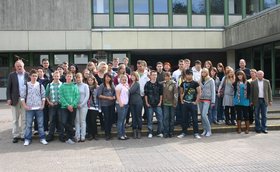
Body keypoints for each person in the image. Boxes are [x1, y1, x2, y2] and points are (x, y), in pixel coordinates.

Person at [20, 69, 47, 146]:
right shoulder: (26, 86)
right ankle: (27, 139)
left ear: (37, 76)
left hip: (39, 108)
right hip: (29, 108)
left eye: (36, 76)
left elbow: (43, 97)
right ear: (30, 76)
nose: (34, 77)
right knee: (28, 124)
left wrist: (43, 105)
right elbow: (22, 97)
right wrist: (25, 106)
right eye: (33, 76)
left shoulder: (40, 86)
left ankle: (42, 138)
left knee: (40, 124)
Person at [7, 60, 29, 143]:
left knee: (24, 119)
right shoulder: (11, 75)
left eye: (20, 66)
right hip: (14, 99)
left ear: (23, 66)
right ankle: (15, 135)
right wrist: (9, 98)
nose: (19, 67)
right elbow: (8, 88)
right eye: (17, 66)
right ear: (15, 67)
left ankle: (23, 135)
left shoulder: (27, 75)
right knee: (15, 119)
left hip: (25, 100)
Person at [177, 69, 201, 139]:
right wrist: (181, 101)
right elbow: (181, 92)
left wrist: (196, 101)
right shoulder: (183, 83)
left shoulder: (195, 83)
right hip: (185, 103)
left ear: (192, 75)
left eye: (190, 74)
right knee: (184, 119)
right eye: (187, 74)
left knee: (195, 119)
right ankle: (184, 132)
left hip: (193, 103)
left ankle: (196, 133)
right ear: (186, 75)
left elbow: (199, 92)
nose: (189, 75)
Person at [59, 72, 80, 144]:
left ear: (72, 78)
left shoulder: (75, 86)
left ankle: (70, 138)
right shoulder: (62, 86)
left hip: (73, 107)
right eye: (67, 76)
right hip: (64, 107)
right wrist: (67, 105)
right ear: (65, 77)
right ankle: (73, 132)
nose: (68, 77)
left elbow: (77, 96)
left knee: (71, 122)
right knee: (63, 121)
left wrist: (72, 104)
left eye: (70, 76)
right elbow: (61, 97)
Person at [144, 70, 164, 138]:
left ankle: (159, 132)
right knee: (150, 119)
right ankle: (150, 132)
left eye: (155, 75)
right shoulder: (147, 84)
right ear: (150, 76)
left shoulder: (159, 84)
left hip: (158, 104)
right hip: (150, 105)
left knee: (160, 119)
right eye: (153, 75)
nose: (154, 76)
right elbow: (146, 94)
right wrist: (146, 103)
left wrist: (160, 102)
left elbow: (161, 94)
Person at [97, 73, 116, 140]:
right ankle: (107, 134)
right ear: (104, 78)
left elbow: (115, 92)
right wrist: (108, 97)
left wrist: (114, 96)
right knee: (106, 118)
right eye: (106, 77)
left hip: (112, 104)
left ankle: (109, 132)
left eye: (109, 77)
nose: (108, 78)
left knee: (111, 119)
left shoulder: (112, 84)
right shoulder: (102, 85)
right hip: (105, 105)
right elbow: (99, 95)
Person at [45, 71, 63, 142]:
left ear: (59, 76)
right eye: (55, 76)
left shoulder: (62, 85)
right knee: (52, 121)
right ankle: (50, 136)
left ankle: (61, 136)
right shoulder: (49, 85)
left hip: (60, 105)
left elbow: (64, 95)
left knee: (60, 121)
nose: (56, 77)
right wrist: (49, 102)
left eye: (57, 76)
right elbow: (46, 95)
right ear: (53, 77)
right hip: (52, 105)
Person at [199, 68, 215, 137]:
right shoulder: (200, 80)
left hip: (207, 99)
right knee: (202, 117)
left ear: (207, 72)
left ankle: (209, 130)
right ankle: (204, 130)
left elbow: (213, 91)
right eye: (202, 72)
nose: (203, 73)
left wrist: (213, 101)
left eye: (204, 72)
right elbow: (200, 89)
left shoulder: (211, 80)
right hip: (201, 99)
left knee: (204, 115)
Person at [75, 73, 90, 142]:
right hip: (76, 105)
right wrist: (75, 104)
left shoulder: (85, 86)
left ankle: (83, 135)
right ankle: (77, 135)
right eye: (77, 78)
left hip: (83, 106)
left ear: (82, 78)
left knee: (83, 121)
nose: (78, 79)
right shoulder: (74, 86)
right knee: (77, 121)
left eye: (79, 77)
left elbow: (87, 96)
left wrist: (81, 104)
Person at [162, 72, 178, 138]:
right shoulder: (163, 83)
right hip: (165, 103)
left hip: (172, 103)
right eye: (165, 76)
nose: (166, 77)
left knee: (172, 118)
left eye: (168, 76)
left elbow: (176, 94)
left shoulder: (174, 83)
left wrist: (175, 103)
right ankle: (166, 132)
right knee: (166, 118)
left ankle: (171, 132)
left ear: (170, 76)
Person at [115, 75, 130, 140]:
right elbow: (117, 96)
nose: (124, 81)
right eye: (123, 79)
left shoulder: (126, 86)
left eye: (125, 79)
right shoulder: (119, 86)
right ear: (120, 80)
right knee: (120, 120)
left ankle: (124, 134)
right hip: (121, 105)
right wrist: (120, 103)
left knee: (123, 120)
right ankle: (120, 135)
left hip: (126, 104)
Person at [129, 72, 143, 139]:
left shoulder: (137, 83)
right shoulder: (131, 83)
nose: (132, 77)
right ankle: (134, 130)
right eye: (131, 76)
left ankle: (139, 130)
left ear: (136, 77)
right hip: (132, 102)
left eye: (133, 76)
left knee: (138, 116)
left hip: (138, 102)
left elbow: (131, 91)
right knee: (134, 117)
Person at [87, 75, 100, 140]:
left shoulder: (97, 87)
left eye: (91, 80)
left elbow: (99, 98)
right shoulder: (86, 87)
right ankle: (90, 134)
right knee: (88, 121)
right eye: (89, 80)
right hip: (87, 106)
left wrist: (99, 107)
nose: (90, 81)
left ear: (94, 80)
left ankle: (95, 134)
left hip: (95, 106)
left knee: (93, 121)